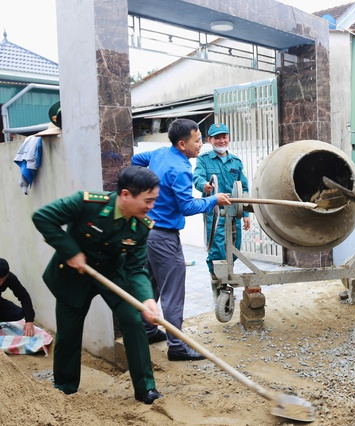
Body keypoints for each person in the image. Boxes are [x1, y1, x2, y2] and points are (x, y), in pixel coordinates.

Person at [32, 166, 163, 404]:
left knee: (134, 322)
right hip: (73, 275)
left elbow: (135, 268)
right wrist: (70, 251)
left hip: (113, 275)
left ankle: (146, 389)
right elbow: (43, 217)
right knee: (69, 331)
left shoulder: (141, 226)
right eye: (148, 200)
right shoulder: (87, 203)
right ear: (125, 195)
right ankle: (64, 388)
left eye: (154, 200)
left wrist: (147, 299)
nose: (151, 206)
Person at [131, 118, 231, 361]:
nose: (201, 145)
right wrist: (213, 200)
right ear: (181, 144)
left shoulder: (159, 154)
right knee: (173, 292)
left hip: (147, 232)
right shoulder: (181, 169)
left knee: (152, 283)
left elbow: (136, 161)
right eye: (197, 141)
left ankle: (147, 330)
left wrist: (153, 187)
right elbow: (186, 206)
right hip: (164, 237)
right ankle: (176, 346)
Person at [193, 123, 250, 273]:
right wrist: (204, 185)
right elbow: (197, 177)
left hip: (233, 212)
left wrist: (245, 214)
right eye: (217, 138)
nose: (221, 141)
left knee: (235, 246)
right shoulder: (204, 159)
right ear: (209, 140)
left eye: (224, 137)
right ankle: (217, 282)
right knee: (216, 249)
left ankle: (227, 274)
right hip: (215, 212)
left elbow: (243, 188)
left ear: (228, 138)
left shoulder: (236, 162)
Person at [0, 258, 36, 337]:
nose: (0, 283)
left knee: (19, 313)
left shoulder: (10, 278)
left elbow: (24, 297)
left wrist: (29, 321)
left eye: (2, 280)